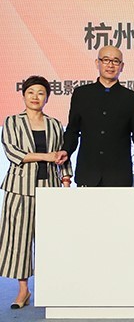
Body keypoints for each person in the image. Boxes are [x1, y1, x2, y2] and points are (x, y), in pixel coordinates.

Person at [0, 76, 72, 309]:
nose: (35, 97)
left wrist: (66, 178)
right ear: (23, 95)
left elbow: (62, 154)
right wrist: (46, 156)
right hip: (19, 189)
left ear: (47, 98)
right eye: (31, 92)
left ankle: (53, 287)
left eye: (41, 93)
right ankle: (23, 290)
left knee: (51, 239)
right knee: (19, 240)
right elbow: (13, 153)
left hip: (49, 188)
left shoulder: (54, 124)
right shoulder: (12, 121)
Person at [57, 45, 134, 186]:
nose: (110, 65)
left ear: (122, 66)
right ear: (97, 63)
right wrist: (66, 150)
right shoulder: (81, 94)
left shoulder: (131, 98)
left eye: (115, 61)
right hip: (88, 172)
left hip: (119, 174)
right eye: (105, 60)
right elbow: (73, 130)